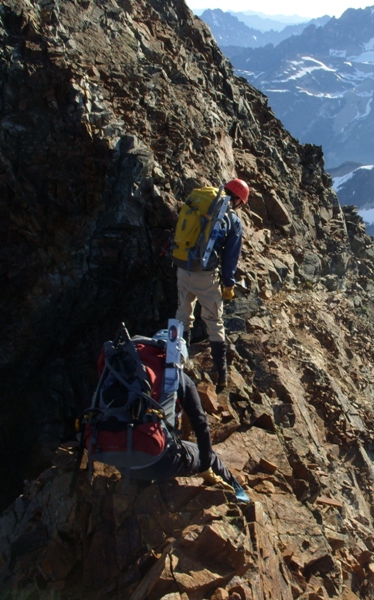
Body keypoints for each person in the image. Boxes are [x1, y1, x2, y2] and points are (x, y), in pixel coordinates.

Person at [131, 362, 250, 503]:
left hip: (121, 461)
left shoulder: (126, 373)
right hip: (160, 464)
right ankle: (239, 495)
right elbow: (201, 426)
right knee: (209, 455)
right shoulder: (176, 376)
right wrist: (205, 467)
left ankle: (139, 487)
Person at [174, 178, 249, 391]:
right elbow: (230, 259)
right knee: (214, 321)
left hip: (182, 266)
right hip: (205, 275)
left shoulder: (203, 199)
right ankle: (222, 377)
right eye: (240, 203)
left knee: (183, 315)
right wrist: (228, 286)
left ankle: (179, 364)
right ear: (236, 198)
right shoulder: (231, 219)